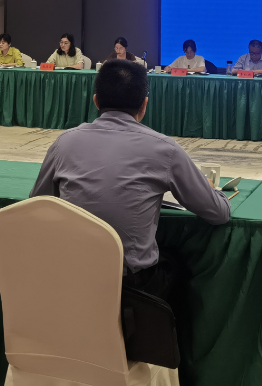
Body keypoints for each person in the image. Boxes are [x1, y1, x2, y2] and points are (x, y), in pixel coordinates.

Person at [30, 60, 230, 314]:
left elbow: (37, 205)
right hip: (131, 285)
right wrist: (211, 188)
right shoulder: (164, 149)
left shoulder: (64, 143)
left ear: (96, 101)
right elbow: (219, 213)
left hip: (70, 277)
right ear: (144, 104)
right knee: (176, 264)